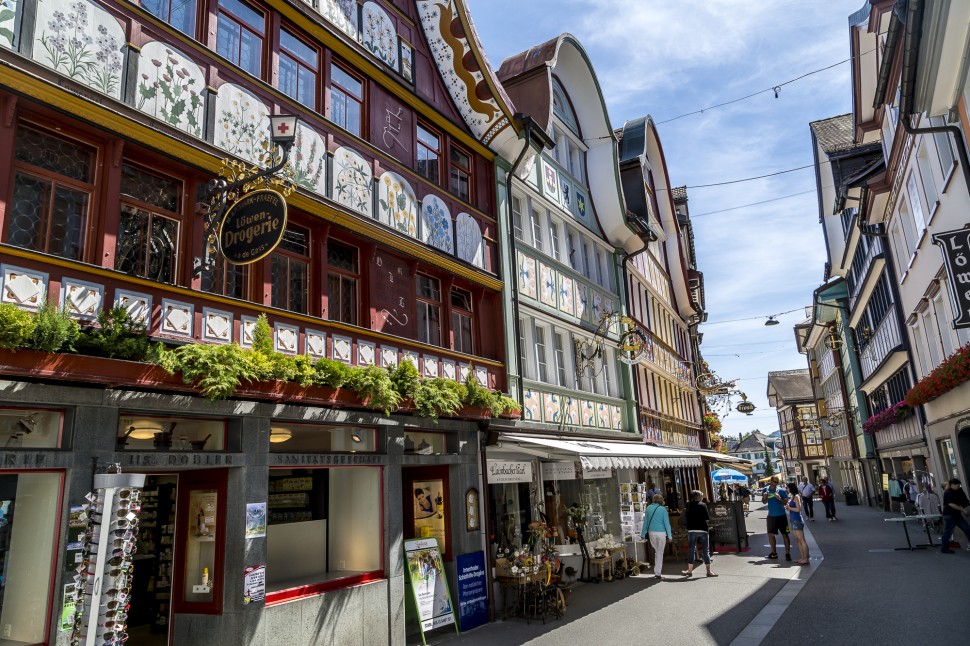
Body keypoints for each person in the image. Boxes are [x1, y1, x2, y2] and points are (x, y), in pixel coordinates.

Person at [681, 490, 717, 578]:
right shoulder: (702, 505)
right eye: (701, 495)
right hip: (703, 529)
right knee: (705, 550)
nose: (702, 497)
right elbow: (707, 519)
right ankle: (708, 571)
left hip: (691, 529)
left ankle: (689, 571)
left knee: (691, 549)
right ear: (698, 497)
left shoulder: (688, 505)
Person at [640, 493, 672, 579]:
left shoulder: (648, 508)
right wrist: (670, 536)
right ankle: (658, 573)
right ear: (661, 500)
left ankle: (657, 571)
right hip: (661, 533)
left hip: (651, 533)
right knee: (659, 552)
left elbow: (645, 522)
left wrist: (643, 534)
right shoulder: (663, 509)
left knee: (657, 551)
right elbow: (667, 524)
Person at [764, 476, 792, 561]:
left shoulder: (782, 491)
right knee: (770, 535)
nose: (776, 484)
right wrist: (765, 496)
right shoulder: (765, 490)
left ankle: (787, 553)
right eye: (775, 482)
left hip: (781, 515)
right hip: (771, 516)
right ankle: (774, 553)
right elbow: (764, 501)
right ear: (771, 481)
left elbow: (785, 503)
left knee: (785, 534)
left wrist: (779, 498)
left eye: (777, 482)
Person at [940, 478, 970, 554]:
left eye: (959, 485)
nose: (958, 486)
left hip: (956, 514)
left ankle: (944, 547)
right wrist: (962, 509)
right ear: (952, 485)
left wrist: (966, 506)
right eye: (957, 485)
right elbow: (951, 504)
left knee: (967, 529)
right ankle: (944, 548)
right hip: (949, 514)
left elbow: (964, 501)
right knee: (948, 532)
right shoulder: (948, 492)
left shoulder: (959, 490)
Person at [786, 482, 810, 565]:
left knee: (801, 539)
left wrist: (789, 508)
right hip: (793, 519)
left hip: (797, 519)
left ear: (791, 488)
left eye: (787, 487)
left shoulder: (796, 496)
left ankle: (806, 558)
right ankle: (803, 557)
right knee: (798, 540)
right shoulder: (792, 496)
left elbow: (798, 509)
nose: (787, 489)